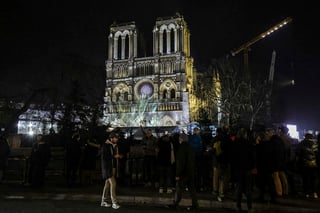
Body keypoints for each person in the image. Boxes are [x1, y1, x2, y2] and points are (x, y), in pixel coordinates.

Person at [168, 132, 198, 210]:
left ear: (181, 139)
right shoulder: (191, 148)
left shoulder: (181, 148)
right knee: (192, 189)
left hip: (183, 173)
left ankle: (175, 204)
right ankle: (195, 204)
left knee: (179, 188)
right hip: (191, 171)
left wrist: (178, 174)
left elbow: (180, 163)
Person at [230, 127, 256, 212]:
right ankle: (250, 207)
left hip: (238, 168)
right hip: (247, 168)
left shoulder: (235, 143)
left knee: (239, 188)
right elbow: (252, 156)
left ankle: (238, 206)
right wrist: (253, 167)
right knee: (248, 189)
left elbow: (232, 157)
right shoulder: (248, 143)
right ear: (245, 135)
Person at [100, 132, 123, 209]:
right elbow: (104, 158)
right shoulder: (106, 146)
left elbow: (112, 156)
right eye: (115, 138)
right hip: (108, 168)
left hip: (112, 168)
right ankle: (114, 203)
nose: (117, 139)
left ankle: (103, 201)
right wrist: (114, 156)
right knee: (113, 183)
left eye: (117, 138)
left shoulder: (114, 146)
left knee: (107, 185)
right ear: (111, 138)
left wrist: (117, 156)